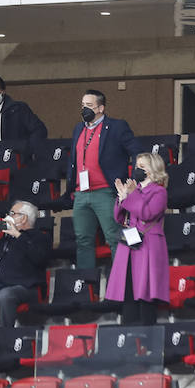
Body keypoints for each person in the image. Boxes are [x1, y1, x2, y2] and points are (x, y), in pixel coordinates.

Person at [69, 90, 144, 270]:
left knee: (113, 236)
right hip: (81, 193)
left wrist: (134, 179)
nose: (84, 109)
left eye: (89, 105)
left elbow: (137, 151)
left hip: (105, 191)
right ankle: (85, 287)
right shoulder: (79, 129)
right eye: (82, 105)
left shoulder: (117, 127)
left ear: (101, 108)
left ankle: (121, 283)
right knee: (83, 239)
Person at [103, 153, 171, 326]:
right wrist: (122, 197)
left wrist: (132, 195)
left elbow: (147, 214)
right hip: (130, 244)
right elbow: (119, 218)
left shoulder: (159, 191)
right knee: (128, 290)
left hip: (148, 244)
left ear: (152, 169)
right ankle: (129, 339)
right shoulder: (135, 189)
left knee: (145, 291)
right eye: (136, 166)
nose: (137, 170)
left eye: (142, 166)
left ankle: (147, 342)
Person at [0, 201, 50, 331]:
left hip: (25, 287)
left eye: (12, 213)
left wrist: (17, 235)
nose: (7, 216)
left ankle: (6, 337)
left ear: (23, 218)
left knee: (5, 295)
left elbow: (39, 258)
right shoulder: (3, 241)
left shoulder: (39, 238)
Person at [0, 76, 48, 155]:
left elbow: (40, 130)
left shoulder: (18, 109)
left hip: (13, 158)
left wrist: (27, 149)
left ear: (3, 91)